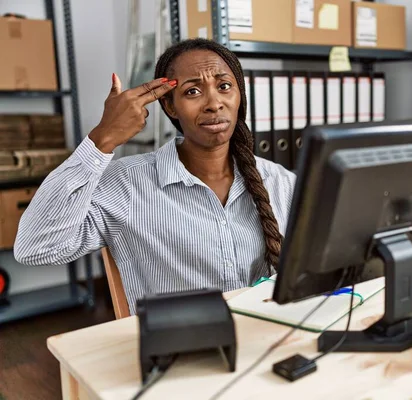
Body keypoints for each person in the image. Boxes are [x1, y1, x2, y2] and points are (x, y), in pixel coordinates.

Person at [14, 38, 296, 315]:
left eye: (224, 86)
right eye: (193, 92)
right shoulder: (126, 184)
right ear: (170, 106)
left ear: (239, 96)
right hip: (179, 351)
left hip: (268, 341)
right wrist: (102, 138)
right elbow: (35, 247)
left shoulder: (280, 181)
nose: (214, 103)